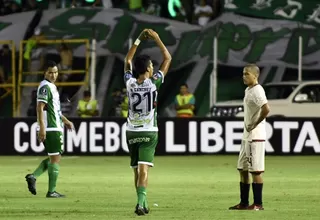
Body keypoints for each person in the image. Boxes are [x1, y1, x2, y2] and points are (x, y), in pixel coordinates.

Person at [124, 29, 172, 215]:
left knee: (136, 170)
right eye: (152, 65)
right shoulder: (154, 83)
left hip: (131, 131)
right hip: (148, 131)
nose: (154, 67)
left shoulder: (129, 83)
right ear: (148, 69)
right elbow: (167, 58)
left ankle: (141, 203)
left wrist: (137, 40)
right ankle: (140, 203)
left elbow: (127, 60)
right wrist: (157, 38)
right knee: (144, 170)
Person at [25, 61, 74, 198]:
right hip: (51, 128)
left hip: (54, 126)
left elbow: (55, 110)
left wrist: (66, 121)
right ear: (45, 73)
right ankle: (51, 191)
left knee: (54, 157)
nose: (53, 75)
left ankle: (33, 176)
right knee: (55, 159)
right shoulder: (45, 87)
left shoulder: (51, 87)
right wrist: (42, 128)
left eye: (56, 72)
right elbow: (39, 107)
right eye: (50, 72)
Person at [229, 64, 270, 211]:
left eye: (247, 74)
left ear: (255, 75)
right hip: (247, 137)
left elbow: (266, 109)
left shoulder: (258, 90)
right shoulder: (248, 90)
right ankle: (244, 203)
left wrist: (254, 123)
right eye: (243, 74)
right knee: (243, 169)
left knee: (256, 171)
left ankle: (258, 204)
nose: (244, 76)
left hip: (255, 137)